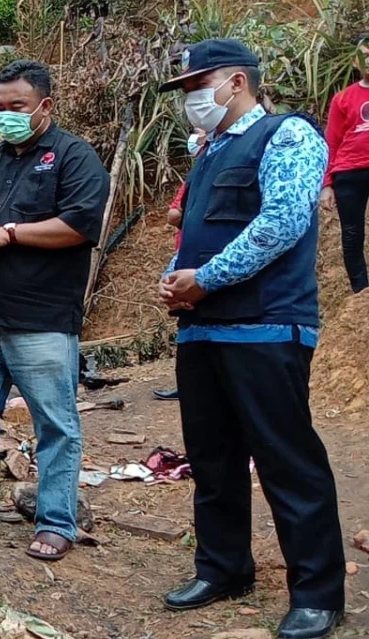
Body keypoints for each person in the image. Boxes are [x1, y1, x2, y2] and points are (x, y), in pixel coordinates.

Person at [157, 39, 344, 639]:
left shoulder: (288, 136)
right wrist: (177, 280)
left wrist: (204, 279)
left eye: (195, 86)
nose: (190, 99)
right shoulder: (209, 151)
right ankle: (223, 567)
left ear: (236, 81)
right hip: (204, 329)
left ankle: (317, 592)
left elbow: (283, 221)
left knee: (287, 459)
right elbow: (205, 232)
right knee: (213, 458)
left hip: (266, 325)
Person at [0, 60, 110, 565]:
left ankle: (57, 521)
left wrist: (8, 233)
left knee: (54, 423)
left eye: (17, 106)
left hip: (40, 320)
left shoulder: (74, 158)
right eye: (0, 107)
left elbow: (79, 224)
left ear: (44, 106)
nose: (6, 115)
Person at [154, 127, 208, 402]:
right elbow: (173, 215)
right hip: (185, 256)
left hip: (207, 266)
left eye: (200, 134)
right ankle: (188, 383)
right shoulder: (194, 178)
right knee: (186, 322)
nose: (196, 139)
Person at [319, 35, 369, 293]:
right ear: (355, 62)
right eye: (364, 55)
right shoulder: (342, 99)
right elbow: (332, 142)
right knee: (352, 233)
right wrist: (327, 184)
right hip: (349, 173)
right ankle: (362, 294)